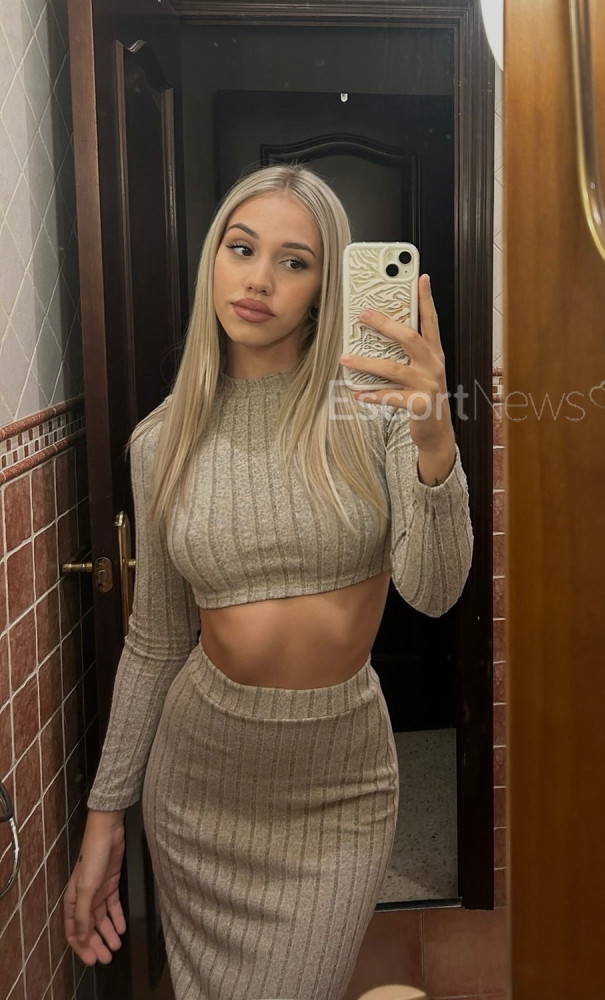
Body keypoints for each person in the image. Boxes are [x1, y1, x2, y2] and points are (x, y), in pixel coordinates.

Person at [63, 166, 473, 999]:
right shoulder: (161, 441)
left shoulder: (374, 409)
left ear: (325, 287)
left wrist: (435, 438)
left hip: (339, 787)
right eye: (242, 249)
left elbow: (434, 590)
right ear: (213, 259)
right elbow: (155, 644)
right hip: (200, 785)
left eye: (294, 261)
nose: (259, 280)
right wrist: (106, 818)